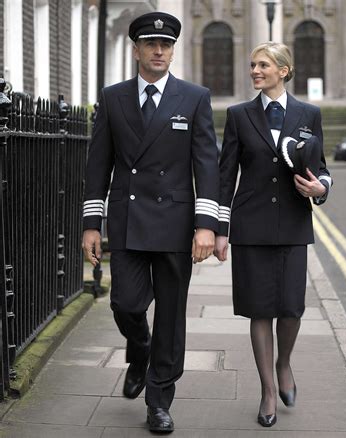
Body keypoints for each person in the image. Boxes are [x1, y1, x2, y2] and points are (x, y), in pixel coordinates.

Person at [82, 12, 220, 434]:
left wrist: (206, 225)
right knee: (125, 303)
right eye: (151, 44)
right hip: (127, 220)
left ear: (172, 50)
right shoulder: (113, 97)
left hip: (177, 224)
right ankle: (138, 350)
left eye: (166, 45)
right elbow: (98, 164)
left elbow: (207, 165)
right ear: (137, 49)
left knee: (172, 317)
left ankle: (159, 400)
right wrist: (92, 223)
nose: (159, 51)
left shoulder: (194, 97)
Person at [214, 42, 332, 427]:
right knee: (260, 309)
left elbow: (321, 168)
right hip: (251, 226)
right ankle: (267, 389)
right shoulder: (238, 116)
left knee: (291, 307)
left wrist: (322, 189)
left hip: (294, 224)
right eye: (252, 65)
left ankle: (284, 363)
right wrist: (218, 229)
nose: (255, 71)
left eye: (263, 65)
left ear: (284, 70)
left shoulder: (308, 114)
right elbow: (224, 175)